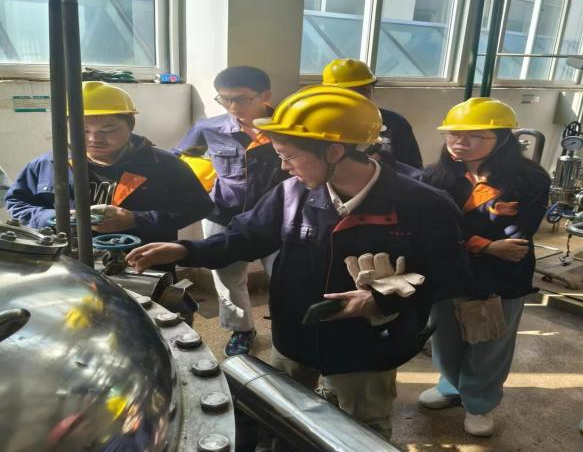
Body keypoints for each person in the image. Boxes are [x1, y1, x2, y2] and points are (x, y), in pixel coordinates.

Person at [127, 85, 470, 438]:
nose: (283, 166)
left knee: (364, 427)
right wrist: (187, 251)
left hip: (368, 345)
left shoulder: (424, 205)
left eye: (289, 155)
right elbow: (246, 236)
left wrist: (378, 299)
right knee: (284, 415)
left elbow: (452, 275)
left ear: (334, 151)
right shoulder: (292, 193)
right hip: (296, 333)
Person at [5, 81, 213, 322]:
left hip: (144, 268)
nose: (94, 139)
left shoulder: (164, 165)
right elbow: (17, 203)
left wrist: (136, 219)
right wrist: (53, 217)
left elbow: (198, 206)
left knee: (148, 324)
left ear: (130, 125)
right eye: (83, 130)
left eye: (108, 130)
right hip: (70, 267)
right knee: (78, 324)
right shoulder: (48, 165)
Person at [418, 97, 551, 437]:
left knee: (491, 340)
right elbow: (432, 228)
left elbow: (519, 235)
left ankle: (479, 402)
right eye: (453, 134)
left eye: (474, 136)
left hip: (502, 275)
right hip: (448, 269)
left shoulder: (529, 179)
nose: (460, 142)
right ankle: (451, 386)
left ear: (503, 138)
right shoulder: (435, 176)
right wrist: (486, 245)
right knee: (446, 334)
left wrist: (476, 241)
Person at [171, 66, 289, 356]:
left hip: (278, 216)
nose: (233, 106)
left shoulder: (288, 126)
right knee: (227, 278)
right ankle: (242, 330)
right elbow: (177, 161)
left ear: (265, 96)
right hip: (223, 213)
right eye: (224, 99)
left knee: (285, 276)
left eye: (242, 99)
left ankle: (288, 329)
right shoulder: (208, 129)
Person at [322, 58, 423, 169]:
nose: (357, 97)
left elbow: (414, 171)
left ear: (372, 90)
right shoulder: (318, 125)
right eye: (348, 92)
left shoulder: (395, 123)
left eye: (363, 90)